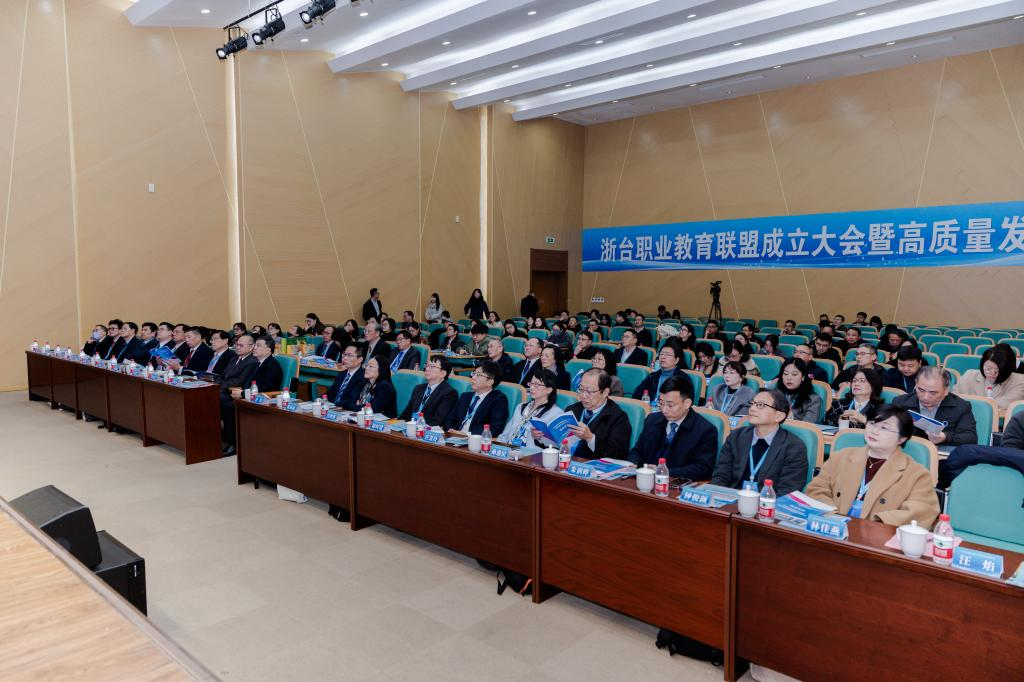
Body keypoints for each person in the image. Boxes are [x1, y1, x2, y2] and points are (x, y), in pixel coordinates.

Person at [806, 406, 940, 527]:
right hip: (832, 527)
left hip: (879, 536)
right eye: (872, 423)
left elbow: (922, 510)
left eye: (884, 428)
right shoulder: (841, 456)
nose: (874, 431)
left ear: (902, 438)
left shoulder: (916, 473)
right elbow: (817, 489)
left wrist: (878, 523)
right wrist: (834, 517)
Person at [710, 389, 809, 496]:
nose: (752, 409)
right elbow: (721, 476)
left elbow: (788, 490)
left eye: (760, 405)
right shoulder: (736, 437)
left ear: (779, 416)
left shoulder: (794, 446)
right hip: (731, 500)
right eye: (752, 404)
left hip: (768, 503)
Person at [628, 377, 717, 480]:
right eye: (661, 403)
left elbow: (703, 469)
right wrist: (632, 464)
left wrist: (663, 471)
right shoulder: (652, 420)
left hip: (676, 483)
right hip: (645, 479)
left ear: (687, 403)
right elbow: (638, 450)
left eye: (670, 405)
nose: (664, 410)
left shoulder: (705, 430)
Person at [220, 337, 283, 456]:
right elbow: (248, 383)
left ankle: (233, 444)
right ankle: (226, 439)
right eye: (255, 345)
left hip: (263, 400)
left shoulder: (272, 365)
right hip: (249, 396)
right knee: (222, 399)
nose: (254, 347)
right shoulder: (258, 363)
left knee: (228, 405)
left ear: (268, 350)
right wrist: (240, 391)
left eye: (258, 345)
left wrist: (243, 393)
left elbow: (267, 389)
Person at [893, 367, 977, 446]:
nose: (925, 397)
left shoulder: (961, 406)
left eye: (933, 392)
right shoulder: (900, 402)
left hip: (941, 453)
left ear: (946, 390)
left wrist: (945, 437)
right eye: (921, 390)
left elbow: (970, 437)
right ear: (916, 384)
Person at [564, 369, 632, 460]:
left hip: (593, 466)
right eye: (581, 389)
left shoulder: (618, 418)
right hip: (565, 460)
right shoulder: (572, 410)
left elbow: (617, 454)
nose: (583, 396)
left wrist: (590, 438)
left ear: (605, 392)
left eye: (589, 391)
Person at [499, 369, 564, 448]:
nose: (532, 388)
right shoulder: (521, 407)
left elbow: (556, 444)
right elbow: (505, 434)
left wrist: (540, 438)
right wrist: (497, 447)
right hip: (509, 450)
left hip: (530, 454)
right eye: (531, 383)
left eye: (537, 385)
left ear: (549, 390)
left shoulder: (556, 413)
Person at [446, 361, 509, 435]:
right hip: (453, 436)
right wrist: (451, 430)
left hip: (475, 440)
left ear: (490, 382)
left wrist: (467, 434)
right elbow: (449, 419)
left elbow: (495, 429)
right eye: (474, 373)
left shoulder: (498, 400)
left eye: (478, 374)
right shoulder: (465, 397)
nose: (473, 377)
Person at [955, 347, 1024, 412]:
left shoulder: (1019, 380)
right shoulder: (969, 375)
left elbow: (1006, 403)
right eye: (988, 369)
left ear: (1007, 369)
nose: (992, 373)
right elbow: (954, 398)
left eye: (997, 370)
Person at [399, 356, 458, 426]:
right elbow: (405, 415)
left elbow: (437, 421)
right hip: (410, 428)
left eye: (432, 366)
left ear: (443, 373)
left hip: (427, 430)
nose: (426, 369)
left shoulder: (449, 393)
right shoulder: (418, 389)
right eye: (427, 365)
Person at [632, 343, 688, 407]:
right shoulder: (652, 376)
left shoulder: (683, 379)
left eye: (668, 355)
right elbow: (636, 395)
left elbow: (684, 404)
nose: (663, 357)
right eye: (661, 354)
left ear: (676, 360)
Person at [772, 358, 822, 423]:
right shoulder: (775, 394)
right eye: (785, 374)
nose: (789, 378)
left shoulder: (813, 399)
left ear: (803, 377)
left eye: (794, 374)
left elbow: (808, 426)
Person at [326, 345, 367, 411]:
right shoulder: (342, 373)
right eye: (344, 354)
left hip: (346, 410)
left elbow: (352, 400)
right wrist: (320, 399)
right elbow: (330, 393)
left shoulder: (363, 376)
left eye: (349, 355)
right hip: (333, 408)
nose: (345, 358)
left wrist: (334, 406)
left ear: (360, 359)